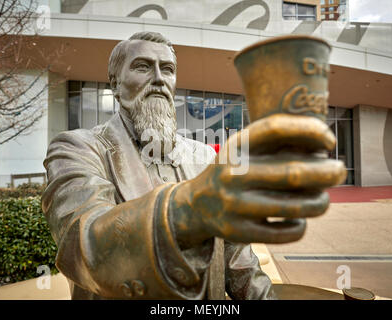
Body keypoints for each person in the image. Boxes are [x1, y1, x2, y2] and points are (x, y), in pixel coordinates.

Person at [42, 31, 345, 300]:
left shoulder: (204, 158)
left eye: (168, 69)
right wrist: (190, 207)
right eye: (143, 66)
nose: (159, 78)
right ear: (115, 84)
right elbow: (84, 247)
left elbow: (239, 264)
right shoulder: (77, 148)